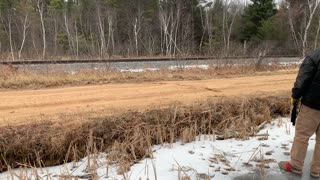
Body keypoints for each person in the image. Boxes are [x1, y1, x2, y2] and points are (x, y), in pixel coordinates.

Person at [279, 49, 320, 177]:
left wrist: (295, 96)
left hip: (312, 105)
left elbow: (302, 79)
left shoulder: (315, 56)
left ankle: (295, 165)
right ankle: (316, 170)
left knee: (302, 136)